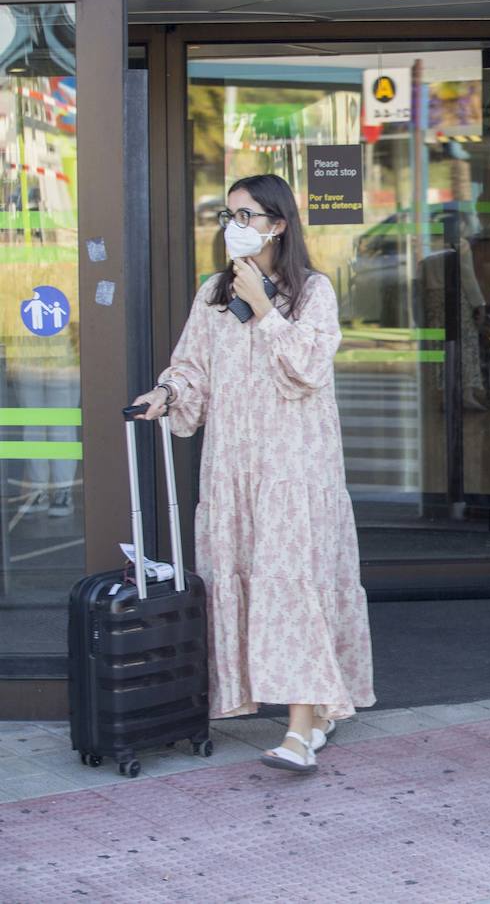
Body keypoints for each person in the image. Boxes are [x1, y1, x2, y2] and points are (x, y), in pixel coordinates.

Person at [132, 174, 375, 775]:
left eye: (246, 215)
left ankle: (299, 727)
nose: (233, 227)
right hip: (232, 465)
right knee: (244, 578)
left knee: (293, 585)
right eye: (227, 215)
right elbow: (192, 368)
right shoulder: (212, 294)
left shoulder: (312, 291)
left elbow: (308, 369)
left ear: (277, 225)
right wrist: (167, 393)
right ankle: (313, 711)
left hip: (294, 466)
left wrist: (266, 309)